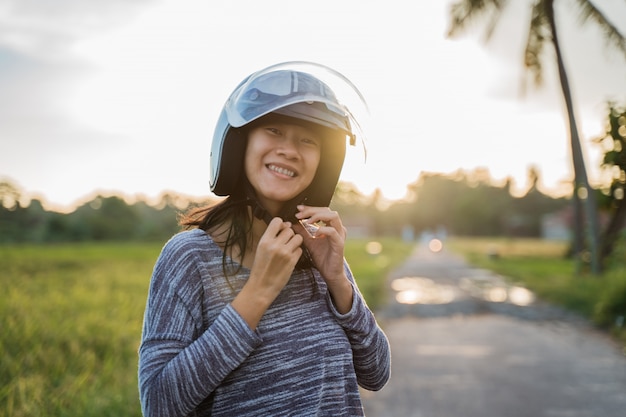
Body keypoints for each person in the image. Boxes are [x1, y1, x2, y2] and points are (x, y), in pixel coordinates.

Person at [138, 61, 391, 417]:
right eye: (274, 130)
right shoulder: (189, 257)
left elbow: (377, 373)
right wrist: (257, 292)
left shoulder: (315, 248)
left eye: (308, 139)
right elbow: (158, 404)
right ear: (240, 142)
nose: (290, 149)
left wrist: (337, 281)